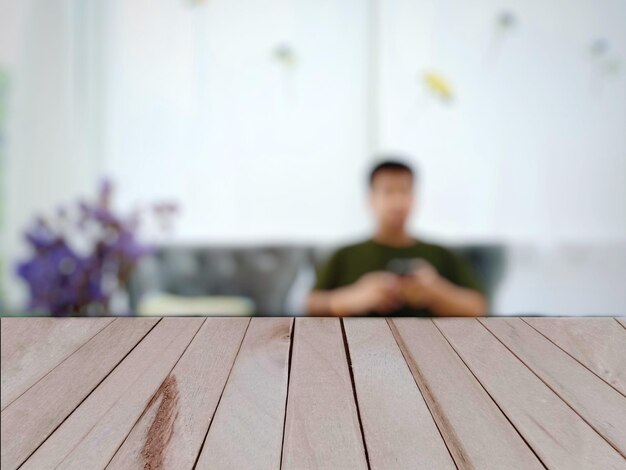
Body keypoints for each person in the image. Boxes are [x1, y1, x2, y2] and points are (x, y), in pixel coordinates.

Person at [306, 158, 487, 317]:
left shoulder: (442, 254)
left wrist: (435, 292)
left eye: (405, 191)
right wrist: (354, 298)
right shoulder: (344, 255)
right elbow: (311, 305)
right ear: (371, 199)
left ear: (414, 198)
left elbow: (478, 307)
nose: (398, 201)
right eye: (388, 192)